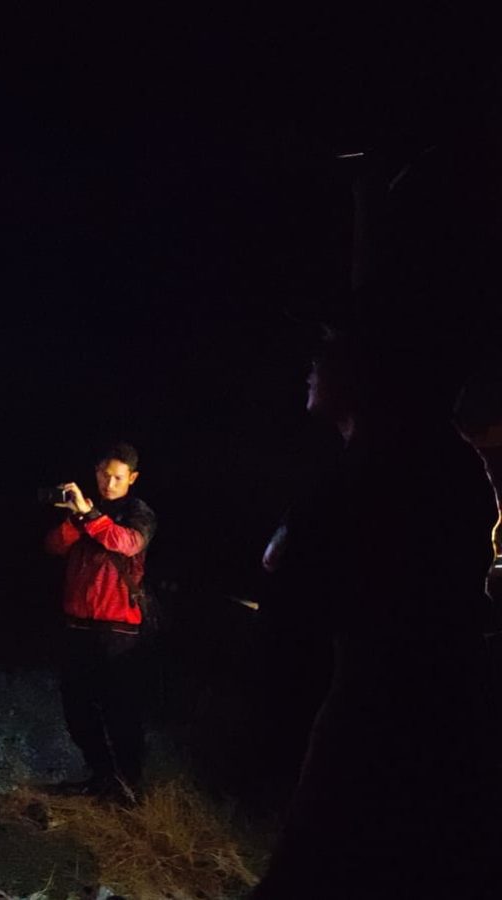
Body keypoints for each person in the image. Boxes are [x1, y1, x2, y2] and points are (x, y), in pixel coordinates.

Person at [251, 325, 500, 899]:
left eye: (326, 355)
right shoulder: (434, 458)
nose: (311, 367)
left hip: (385, 697)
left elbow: (293, 582)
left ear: (364, 373)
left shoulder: (384, 466)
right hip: (417, 690)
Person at [43, 443, 157, 804]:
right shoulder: (83, 510)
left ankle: (128, 788)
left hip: (118, 631)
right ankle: (102, 777)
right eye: (105, 475)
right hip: (78, 625)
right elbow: (53, 547)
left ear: (132, 478)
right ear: (96, 472)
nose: (110, 483)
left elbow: (128, 542)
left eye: (118, 477)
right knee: (77, 709)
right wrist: (75, 520)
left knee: (121, 712)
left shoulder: (137, 512)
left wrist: (90, 515)